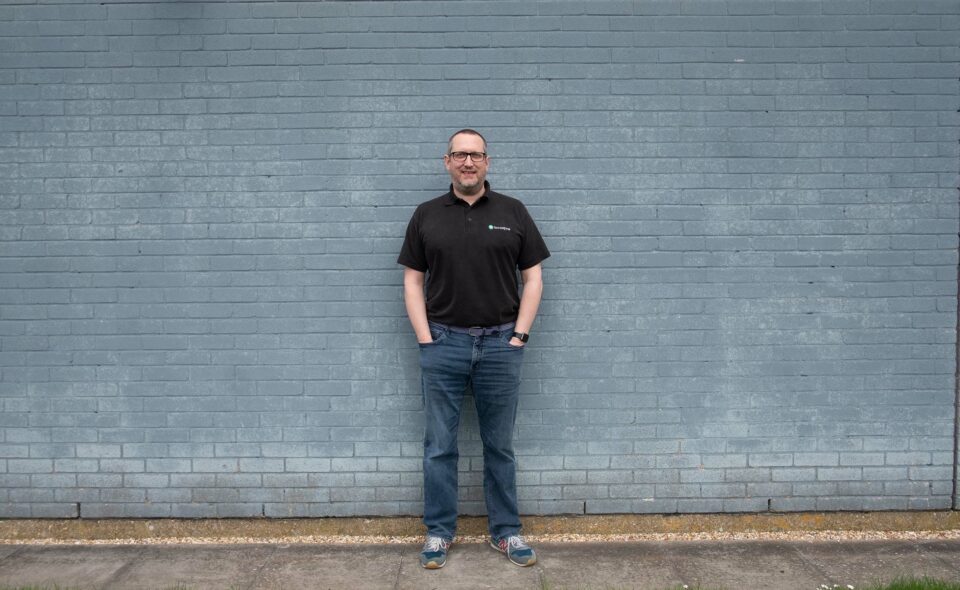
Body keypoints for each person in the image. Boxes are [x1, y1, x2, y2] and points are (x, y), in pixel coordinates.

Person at [397, 129, 550, 569]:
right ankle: (439, 534)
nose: (468, 162)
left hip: (502, 344)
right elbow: (412, 281)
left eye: (476, 155)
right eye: (460, 155)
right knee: (439, 446)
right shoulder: (426, 215)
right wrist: (426, 339)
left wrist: (518, 336)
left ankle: (506, 532)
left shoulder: (513, 211)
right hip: (443, 342)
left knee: (499, 445)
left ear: (487, 162)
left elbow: (533, 278)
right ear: (446, 161)